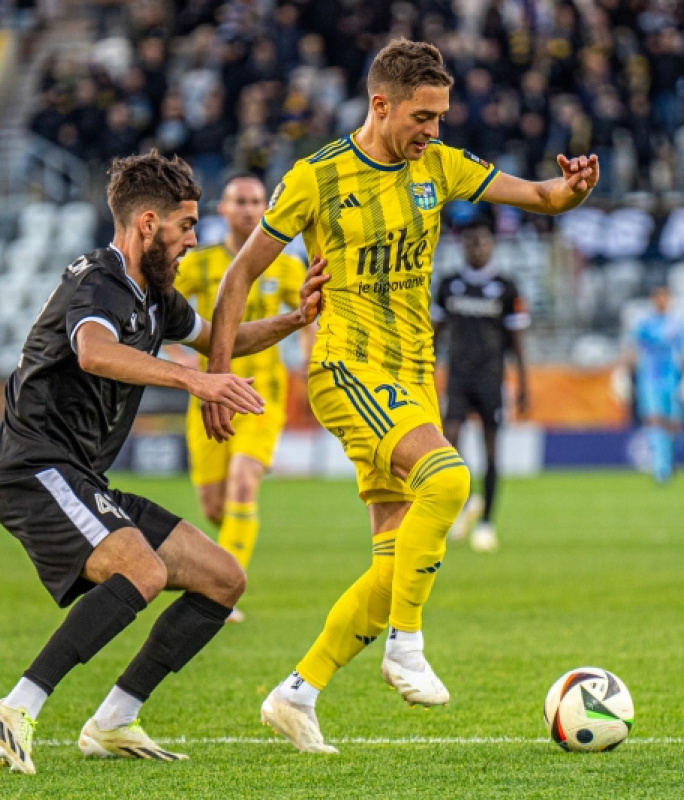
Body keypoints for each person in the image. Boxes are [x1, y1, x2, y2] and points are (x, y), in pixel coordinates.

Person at [203, 38, 599, 754]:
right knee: (449, 478)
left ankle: (298, 692)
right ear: (380, 104)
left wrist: (570, 190)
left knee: (394, 563)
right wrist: (217, 375)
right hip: (347, 369)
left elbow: (541, 195)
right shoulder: (315, 178)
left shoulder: (438, 168)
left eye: (441, 116)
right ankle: (405, 646)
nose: (434, 131)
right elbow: (238, 279)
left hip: (414, 374)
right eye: (423, 116)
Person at [0, 151, 327, 774]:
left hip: (80, 475)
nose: (193, 240)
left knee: (223, 578)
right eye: (186, 226)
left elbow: (216, 339)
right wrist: (195, 383)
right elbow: (95, 353)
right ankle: (15, 707)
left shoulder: (156, 297)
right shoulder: (97, 280)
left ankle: (115, 720)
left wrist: (294, 318)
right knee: (143, 571)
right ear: (148, 224)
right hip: (34, 467)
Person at [169, 174, 308, 624]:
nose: (249, 209)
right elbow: (159, 314)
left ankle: (220, 593)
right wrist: (181, 362)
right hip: (208, 397)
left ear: (266, 210)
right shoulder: (198, 264)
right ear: (223, 211)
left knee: (245, 484)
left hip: (261, 396)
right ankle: (225, 561)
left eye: (256, 202)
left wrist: (312, 361)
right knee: (214, 505)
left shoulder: (286, 266)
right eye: (239, 202)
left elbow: (311, 317)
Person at [432, 219, 530, 553]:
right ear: (463, 246)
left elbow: (517, 341)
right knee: (449, 444)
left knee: (491, 453)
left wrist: (524, 385)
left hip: (492, 378)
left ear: (492, 246)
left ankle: (487, 523)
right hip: (458, 377)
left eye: (483, 242)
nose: (478, 247)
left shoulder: (506, 287)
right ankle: (465, 499)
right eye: (472, 242)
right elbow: (435, 333)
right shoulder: (448, 285)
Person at [612, 285, 684, 484]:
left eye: (666, 297)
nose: (662, 301)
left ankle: (669, 460)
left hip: (673, 379)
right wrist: (622, 372)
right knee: (654, 420)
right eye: (659, 297)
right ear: (653, 300)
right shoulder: (644, 324)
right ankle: (661, 469)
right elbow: (630, 349)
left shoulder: (678, 325)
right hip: (650, 379)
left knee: (674, 425)